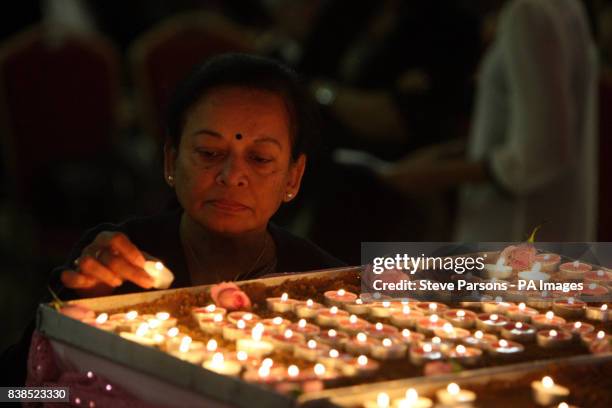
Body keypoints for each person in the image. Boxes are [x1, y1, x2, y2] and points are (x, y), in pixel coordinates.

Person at [1, 53, 344, 386]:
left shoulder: (322, 286)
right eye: (209, 153)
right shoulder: (114, 263)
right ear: (170, 160)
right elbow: (13, 388)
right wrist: (76, 324)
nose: (232, 175)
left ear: (293, 177)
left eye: (259, 158)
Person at [381, 0, 599, 242]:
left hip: (515, 236)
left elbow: (538, 155)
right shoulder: (562, 8)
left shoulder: (530, 12)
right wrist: (453, 152)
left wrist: (435, 175)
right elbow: (542, 130)